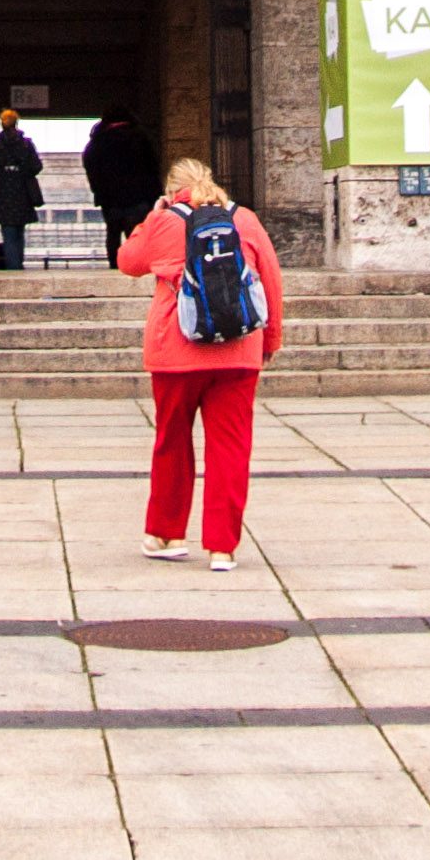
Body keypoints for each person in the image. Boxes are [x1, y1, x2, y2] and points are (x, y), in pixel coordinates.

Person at [117, 157, 283, 569]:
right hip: (239, 349)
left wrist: (149, 219)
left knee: (172, 442)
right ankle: (222, 547)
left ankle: (167, 534)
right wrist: (271, 340)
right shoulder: (243, 219)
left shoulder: (165, 221)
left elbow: (128, 261)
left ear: (173, 191)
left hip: (175, 351)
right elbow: (272, 278)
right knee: (231, 447)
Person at [0, 104, 45, 269]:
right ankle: (18, 264)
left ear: (1, 123)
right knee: (20, 232)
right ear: (16, 123)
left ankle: (13, 266)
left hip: (2, 195)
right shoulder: (27, 145)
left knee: (8, 232)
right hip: (23, 194)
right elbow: (36, 167)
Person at [82, 109, 159, 250]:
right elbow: (153, 167)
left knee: (112, 232)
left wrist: (99, 192)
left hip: (110, 198)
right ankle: (135, 265)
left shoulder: (98, 141)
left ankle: (114, 263)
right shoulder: (141, 138)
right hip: (139, 196)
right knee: (137, 234)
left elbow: (91, 169)